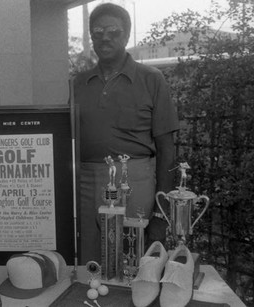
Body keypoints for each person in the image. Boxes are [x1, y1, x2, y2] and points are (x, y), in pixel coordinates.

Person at [73, 3, 179, 264]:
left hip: (135, 184)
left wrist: (160, 214)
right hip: (86, 184)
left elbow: (167, 149)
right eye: (97, 31)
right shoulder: (78, 83)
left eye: (113, 31)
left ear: (127, 35)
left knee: (132, 264)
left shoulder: (151, 79)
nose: (105, 37)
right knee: (91, 266)